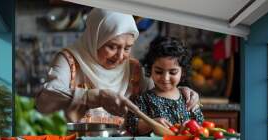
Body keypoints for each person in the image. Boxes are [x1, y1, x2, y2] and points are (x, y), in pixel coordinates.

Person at [36, 8, 199, 125]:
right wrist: (95, 97)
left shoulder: (133, 69)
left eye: (127, 48)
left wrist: (181, 92)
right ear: (95, 39)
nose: (120, 56)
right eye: (112, 46)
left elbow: (158, 91)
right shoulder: (69, 60)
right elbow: (45, 99)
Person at [125, 36, 204, 136]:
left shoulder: (188, 98)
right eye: (158, 71)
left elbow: (200, 124)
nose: (165, 78)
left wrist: (191, 125)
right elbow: (132, 125)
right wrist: (151, 123)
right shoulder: (144, 99)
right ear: (150, 69)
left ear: (182, 72)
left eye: (173, 72)